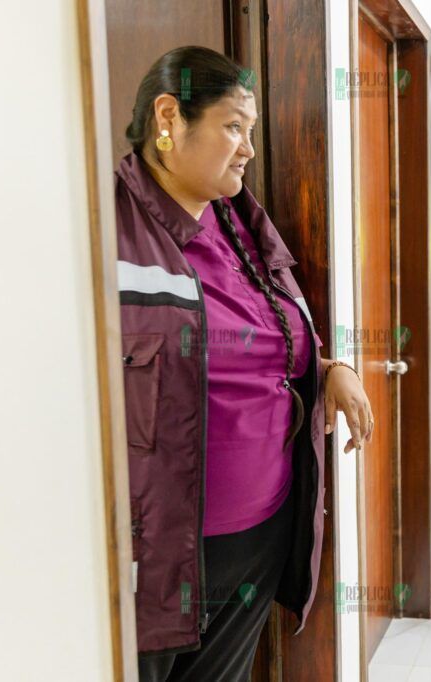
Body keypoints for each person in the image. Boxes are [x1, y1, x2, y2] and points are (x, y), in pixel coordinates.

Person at [115, 46, 372, 680]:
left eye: (250, 131)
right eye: (234, 126)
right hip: (161, 556)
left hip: (260, 534)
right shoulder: (103, 229)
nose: (248, 148)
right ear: (169, 117)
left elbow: (266, 341)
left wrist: (330, 366)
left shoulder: (239, 224)